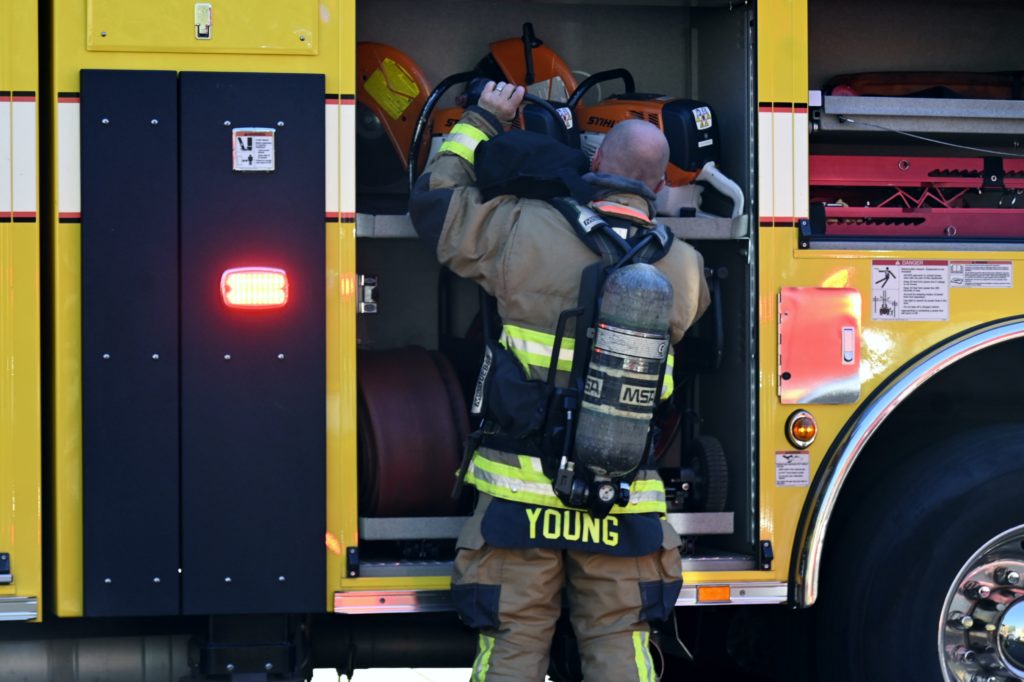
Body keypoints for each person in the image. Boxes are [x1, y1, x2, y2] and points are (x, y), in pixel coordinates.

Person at [410, 79, 710, 681]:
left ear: (594, 163)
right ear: (659, 186)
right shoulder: (685, 267)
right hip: (621, 497)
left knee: (514, 646)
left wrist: (481, 120)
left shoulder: (523, 228)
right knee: (621, 646)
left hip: (520, 496)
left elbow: (436, 205)